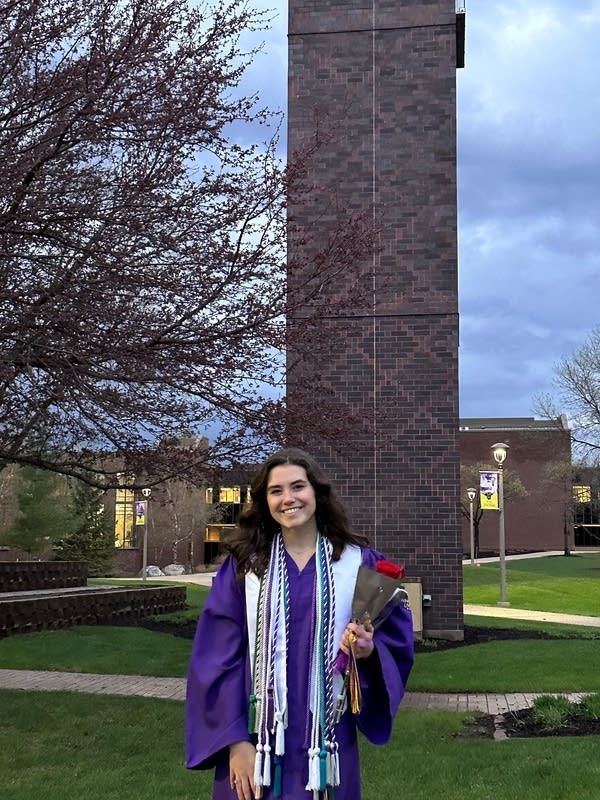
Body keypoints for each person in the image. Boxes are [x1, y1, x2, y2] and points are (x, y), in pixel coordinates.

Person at [186, 448, 414, 800]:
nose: (288, 499)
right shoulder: (245, 569)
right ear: (264, 501)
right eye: (276, 491)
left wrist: (367, 652)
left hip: (328, 744)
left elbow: (394, 643)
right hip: (256, 741)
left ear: (316, 494)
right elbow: (215, 659)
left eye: (298, 487)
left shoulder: (358, 564)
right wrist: (234, 743)